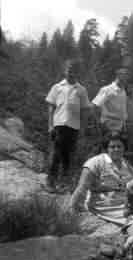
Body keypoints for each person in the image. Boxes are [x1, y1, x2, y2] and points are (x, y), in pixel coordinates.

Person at [45, 59, 92, 192]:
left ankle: (64, 183)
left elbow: (85, 111)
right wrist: (50, 125)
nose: (71, 72)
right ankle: (51, 182)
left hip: (73, 127)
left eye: (74, 70)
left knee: (68, 156)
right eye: (69, 70)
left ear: (77, 72)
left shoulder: (81, 90)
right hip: (58, 125)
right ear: (64, 71)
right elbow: (51, 108)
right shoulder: (57, 87)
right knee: (55, 154)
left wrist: (82, 129)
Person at [69, 131, 133, 218]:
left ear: (124, 148)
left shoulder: (127, 165)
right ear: (106, 148)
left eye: (119, 146)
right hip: (105, 206)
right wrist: (72, 209)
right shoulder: (95, 163)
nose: (116, 149)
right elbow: (82, 187)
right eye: (112, 147)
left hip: (125, 204)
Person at [92, 68, 130, 136]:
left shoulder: (123, 91)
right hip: (109, 126)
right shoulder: (107, 89)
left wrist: (124, 125)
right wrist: (101, 124)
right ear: (118, 75)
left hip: (121, 126)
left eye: (127, 75)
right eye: (124, 75)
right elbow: (95, 106)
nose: (126, 77)